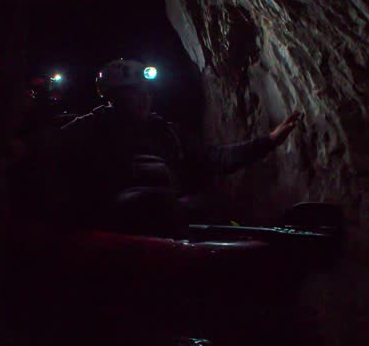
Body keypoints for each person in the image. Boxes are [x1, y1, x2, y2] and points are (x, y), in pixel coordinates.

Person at [41, 58, 302, 235]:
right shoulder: (89, 128)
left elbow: (215, 157)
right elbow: (46, 150)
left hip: (165, 226)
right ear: (114, 97)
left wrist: (268, 141)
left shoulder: (164, 132)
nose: (145, 99)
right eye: (136, 93)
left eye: (147, 92)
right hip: (113, 226)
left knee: (204, 206)